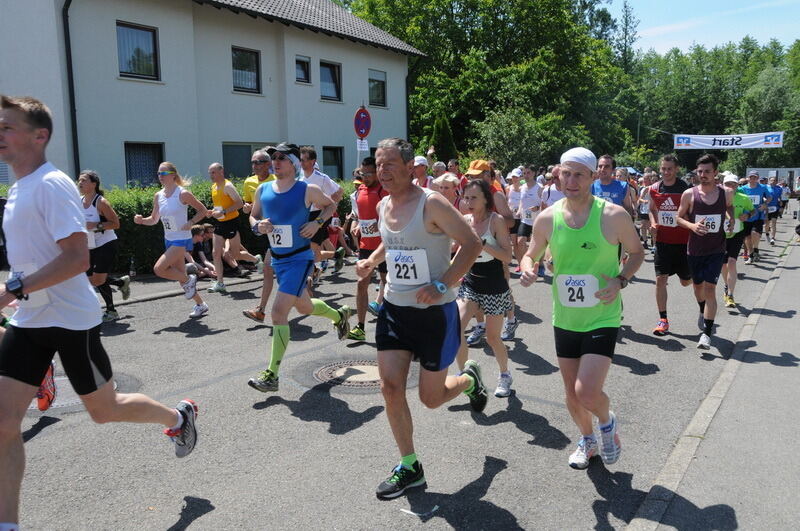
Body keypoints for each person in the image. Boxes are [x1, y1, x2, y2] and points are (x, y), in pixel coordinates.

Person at [0, 95, 199, 530]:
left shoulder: (51, 185)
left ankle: (177, 417)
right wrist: (15, 290)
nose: (0, 134)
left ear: (40, 136)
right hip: (31, 319)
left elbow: (76, 259)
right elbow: (29, 257)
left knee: (104, 410)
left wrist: (13, 287)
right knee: (3, 423)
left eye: (8, 127)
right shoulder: (17, 189)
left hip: (71, 320)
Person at [355, 138, 486, 500]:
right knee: (390, 387)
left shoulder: (433, 203)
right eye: (379, 165)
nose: (383, 171)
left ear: (411, 166)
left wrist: (444, 282)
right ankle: (410, 466)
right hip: (395, 310)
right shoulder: (383, 205)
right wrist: (372, 262)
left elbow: (472, 243)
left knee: (431, 398)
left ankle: (469, 381)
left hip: (434, 314)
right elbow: (391, 242)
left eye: (390, 164)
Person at [520, 147, 644, 470]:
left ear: (592, 177)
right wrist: (528, 266)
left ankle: (606, 421)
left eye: (578, 174)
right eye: (565, 173)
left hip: (602, 314)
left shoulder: (613, 215)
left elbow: (637, 253)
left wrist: (621, 280)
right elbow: (531, 253)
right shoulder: (547, 218)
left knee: (586, 392)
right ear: (557, 175)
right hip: (566, 317)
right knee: (571, 395)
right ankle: (587, 440)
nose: (570, 180)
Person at [246, 143, 351, 392]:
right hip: (279, 259)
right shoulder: (262, 190)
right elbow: (253, 216)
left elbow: (331, 205)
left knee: (278, 312)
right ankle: (339, 316)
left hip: (300, 258)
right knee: (303, 306)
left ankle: (272, 375)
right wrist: (257, 226)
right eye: (273, 158)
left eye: (281, 157)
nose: (276, 161)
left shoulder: (307, 189)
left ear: (293, 163)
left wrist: (317, 224)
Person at [455, 180, 514, 397]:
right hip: (471, 283)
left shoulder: (496, 221)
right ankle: (466, 377)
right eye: (466, 197)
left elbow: (507, 256)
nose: (468, 202)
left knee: (492, 338)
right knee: (456, 329)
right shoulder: (465, 220)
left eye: (473, 198)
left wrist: (483, 243)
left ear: (485, 199)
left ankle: (505, 374)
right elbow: (459, 252)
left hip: (494, 286)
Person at [133, 162, 210, 318]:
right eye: (159, 174)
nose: (160, 176)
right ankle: (200, 304)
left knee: (159, 269)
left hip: (182, 240)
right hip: (169, 239)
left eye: (164, 173)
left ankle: (190, 278)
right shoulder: (158, 196)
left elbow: (202, 210)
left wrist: (191, 222)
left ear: (173, 175)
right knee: (181, 279)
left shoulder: (183, 194)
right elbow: (154, 220)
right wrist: (142, 220)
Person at [675, 154, 735, 350]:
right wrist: (691, 226)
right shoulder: (689, 194)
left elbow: (729, 207)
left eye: (707, 171)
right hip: (695, 250)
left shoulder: (725, 193)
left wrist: (731, 218)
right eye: (700, 171)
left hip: (716, 250)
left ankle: (706, 335)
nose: (703, 175)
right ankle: (702, 310)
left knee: (710, 289)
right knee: (697, 288)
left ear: (715, 173)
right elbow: (678, 218)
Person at [77, 170, 131, 322]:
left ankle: (111, 311)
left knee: (98, 280)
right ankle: (120, 282)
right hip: (89, 245)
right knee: (90, 280)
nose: (80, 183)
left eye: (84, 180)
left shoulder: (100, 202)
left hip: (106, 243)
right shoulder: (79, 201)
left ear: (94, 184)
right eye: (79, 180)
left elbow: (116, 223)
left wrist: (95, 225)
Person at [648, 155, 693, 336]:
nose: (666, 172)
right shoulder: (654, 188)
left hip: (684, 242)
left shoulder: (686, 189)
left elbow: (693, 212)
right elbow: (651, 209)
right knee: (660, 280)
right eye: (663, 168)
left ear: (676, 169)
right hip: (663, 242)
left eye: (669, 169)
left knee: (685, 282)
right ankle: (663, 320)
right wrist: (653, 223)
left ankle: (692, 277)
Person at [347, 156, 389, 341]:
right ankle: (360, 327)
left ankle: (392, 326)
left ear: (378, 172)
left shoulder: (384, 190)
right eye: (362, 173)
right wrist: (356, 223)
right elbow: (357, 214)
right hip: (365, 246)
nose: (365, 176)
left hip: (385, 247)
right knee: (360, 284)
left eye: (369, 173)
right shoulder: (359, 191)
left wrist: (380, 226)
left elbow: (394, 216)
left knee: (388, 285)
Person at [206, 162, 260, 294]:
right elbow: (219, 205)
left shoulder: (228, 186)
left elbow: (239, 203)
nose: (211, 175)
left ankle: (256, 260)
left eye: (213, 172)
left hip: (231, 223)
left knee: (235, 254)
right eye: (210, 173)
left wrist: (223, 212)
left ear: (221, 172)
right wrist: (212, 212)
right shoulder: (214, 187)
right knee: (216, 253)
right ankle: (220, 283)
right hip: (219, 223)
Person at [241, 149, 276, 322]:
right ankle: (261, 310)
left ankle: (306, 279)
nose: (254, 166)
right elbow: (249, 206)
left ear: (269, 164)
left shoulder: (277, 181)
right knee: (268, 270)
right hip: (264, 232)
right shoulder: (249, 182)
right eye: (253, 162)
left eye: (259, 162)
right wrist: (249, 210)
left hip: (281, 232)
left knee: (285, 277)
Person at [299, 147, 346, 273]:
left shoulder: (322, 178)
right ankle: (335, 256)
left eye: (304, 160)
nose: (301, 163)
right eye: (300, 160)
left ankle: (311, 274)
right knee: (309, 249)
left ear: (313, 161)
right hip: (304, 215)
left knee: (312, 248)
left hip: (320, 215)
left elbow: (340, 191)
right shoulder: (298, 177)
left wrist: (328, 203)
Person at [721, 174, 753, 309]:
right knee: (723, 265)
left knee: (732, 262)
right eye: (728, 184)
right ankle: (727, 285)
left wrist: (747, 215)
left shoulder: (744, 198)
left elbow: (752, 210)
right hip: (720, 235)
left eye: (734, 184)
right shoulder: (716, 197)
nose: (731, 186)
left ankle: (730, 294)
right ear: (723, 184)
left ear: (737, 185)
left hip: (737, 233)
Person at [739, 170, 771, 264]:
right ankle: (751, 255)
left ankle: (756, 249)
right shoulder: (743, 188)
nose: (753, 179)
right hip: (746, 216)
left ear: (757, 178)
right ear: (748, 178)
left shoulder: (763, 187)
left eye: (755, 177)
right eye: (751, 177)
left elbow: (769, 197)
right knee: (747, 238)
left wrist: (765, 204)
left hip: (758, 215)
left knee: (755, 234)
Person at [766, 176, 782, 245]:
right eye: (771, 180)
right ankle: (767, 235)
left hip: (775, 208)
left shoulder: (779, 189)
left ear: (776, 181)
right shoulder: (765, 188)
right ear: (769, 181)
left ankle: (773, 238)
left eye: (774, 180)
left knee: (773, 222)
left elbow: (779, 197)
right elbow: (763, 196)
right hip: (767, 208)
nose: (773, 181)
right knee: (767, 224)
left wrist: (780, 202)